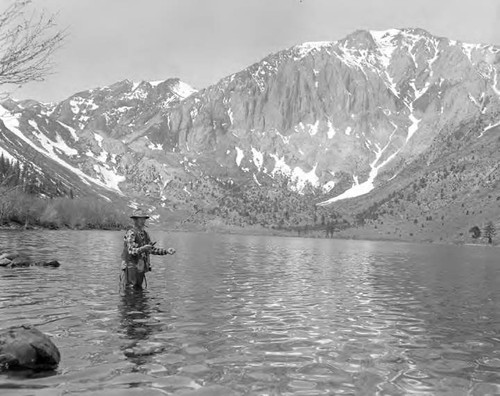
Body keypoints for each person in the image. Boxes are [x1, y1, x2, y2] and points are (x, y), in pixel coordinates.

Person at [121, 209, 175, 289]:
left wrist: (166, 251)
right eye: (140, 219)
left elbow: (151, 249)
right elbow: (131, 251)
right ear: (135, 220)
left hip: (140, 267)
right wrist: (143, 248)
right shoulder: (131, 233)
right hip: (130, 267)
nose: (143, 221)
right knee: (131, 290)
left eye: (144, 219)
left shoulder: (145, 234)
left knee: (138, 290)